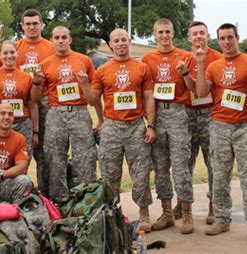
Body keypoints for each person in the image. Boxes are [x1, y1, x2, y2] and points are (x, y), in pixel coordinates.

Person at [194, 23, 247, 242]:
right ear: (218, 41)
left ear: (237, 37)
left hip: (245, 127)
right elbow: (200, 92)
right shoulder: (213, 66)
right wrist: (200, 65)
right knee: (219, 177)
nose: (226, 42)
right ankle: (222, 219)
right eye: (222, 38)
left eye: (230, 37)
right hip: (219, 127)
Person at [82, 28, 155, 233]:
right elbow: (93, 100)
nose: (121, 43)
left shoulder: (141, 68)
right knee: (109, 174)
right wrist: (84, 84)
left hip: (136, 126)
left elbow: (149, 97)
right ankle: (113, 214)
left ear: (129, 41)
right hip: (112, 127)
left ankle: (144, 213)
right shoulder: (103, 70)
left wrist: (150, 125)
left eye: (124, 39)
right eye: (116, 40)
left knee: (140, 173)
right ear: (111, 44)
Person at [0, 8, 55, 197]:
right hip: (16, 103)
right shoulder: (14, 47)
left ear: (42, 25)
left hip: (44, 102)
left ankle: (45, 194)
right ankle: (3, 193)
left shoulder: (51, 46)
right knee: (4, 152)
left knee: (43, 152)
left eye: (35, 23)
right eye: (28, 24)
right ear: (22, 26)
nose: (32, 27)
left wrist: (35, 129)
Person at [141, 18, 195, 234]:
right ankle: (166, 212)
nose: (164, 36)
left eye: (167, 32)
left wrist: (184, 73)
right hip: (157, 113)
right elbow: (145, 91)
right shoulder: (147, 58)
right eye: (160, 32)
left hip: (178, 112)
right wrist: (150, 122)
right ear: (154, 35)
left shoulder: (186, 56)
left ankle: (187, 212)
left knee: (181, 166)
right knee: (161, 167)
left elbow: (194, 89)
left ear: (173, 33)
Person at [39, 26, 102, 203]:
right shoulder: (45, 64)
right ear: (51, 40)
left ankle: (87, 200)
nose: (60, 40)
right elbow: (37, 96)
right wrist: (36, 82)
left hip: (79, 112)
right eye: (57, 37)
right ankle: (59, 201)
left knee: (86, 157)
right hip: (56, 114)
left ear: (70, 39)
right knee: (55, 158)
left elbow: (94, 97)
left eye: (64, 37)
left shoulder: (84, 61)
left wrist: (101, 118)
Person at [173, 21, 223, 224]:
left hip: (210, 114)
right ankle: (183, 203)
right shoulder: (182, 59)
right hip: (188, 114)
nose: (198, 37)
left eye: (202, 33)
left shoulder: (218, 58)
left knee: (213, 162)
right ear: (189, 38)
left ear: (208, 36)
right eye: (195, 34)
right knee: (185, 162)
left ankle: (214, 205)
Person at [0, 40, 41, 161]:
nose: (9, 56)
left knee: (22, 161)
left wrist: (36, 132)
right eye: (5, 53)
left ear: (17, 54)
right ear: (0, 55)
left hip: (22, 125)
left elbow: (32, 105)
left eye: (12, 52)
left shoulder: (26, 77)